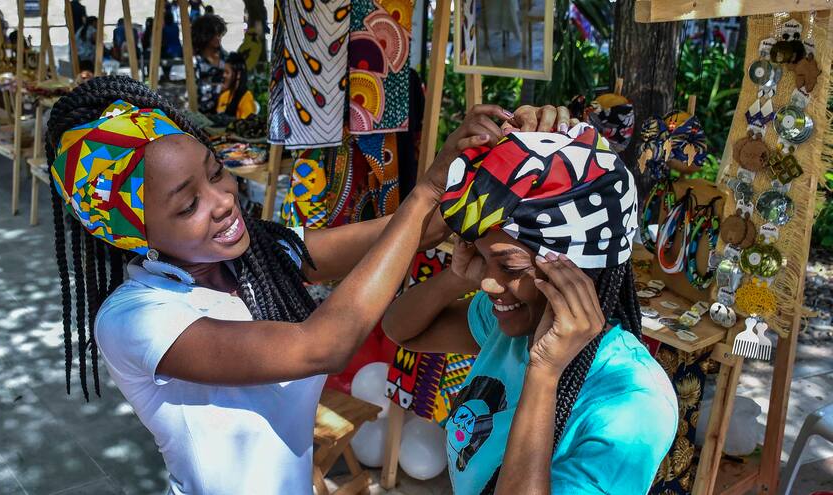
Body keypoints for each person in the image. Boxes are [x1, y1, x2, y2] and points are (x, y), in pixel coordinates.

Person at [46, 74, 531, 493]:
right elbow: (323, 345)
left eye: (217, 173)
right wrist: (425, 191)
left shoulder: (261, 257)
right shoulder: (138, 317)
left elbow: (412, 232)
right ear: (135, 233)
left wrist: (473, 165)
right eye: (187, 204)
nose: (222, 201)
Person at [383, 106, 679, 494]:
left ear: (581, 268)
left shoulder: (633, 404)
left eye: (509, 266)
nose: (489, 284)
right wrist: (457, 278)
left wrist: (544, 375)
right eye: (482, 256)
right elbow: (402, 330)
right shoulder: (510, 325)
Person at [191, 14, 227, 114]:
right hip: (202, 113)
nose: (218, 37)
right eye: (214, 34)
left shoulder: (225, 58)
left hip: (224, 110)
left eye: (219, 34)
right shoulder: (195, 61)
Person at [215, 51, 257, 119]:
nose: (223, 75)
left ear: (238, 75)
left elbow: (247, 126)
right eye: (223, 72)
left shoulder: (246, 98)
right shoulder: (224, 96)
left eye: (227, 72)